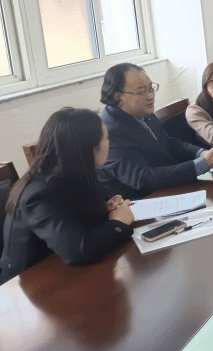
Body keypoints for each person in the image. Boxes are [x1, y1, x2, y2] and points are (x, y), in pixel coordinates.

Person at [1, 108, 135, 285]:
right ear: (88, 148)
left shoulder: (74, 170)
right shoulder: (38, 194)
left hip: (61, 269)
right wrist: (117, 223)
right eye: (107, 138)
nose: (110, 142)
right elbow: (77, 251)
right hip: (27, 282)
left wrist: (106, 207)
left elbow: (76, 214)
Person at [98, 63, 213, 199]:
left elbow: (168, 143)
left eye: (151, 88)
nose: (150, 96)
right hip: (141, 201)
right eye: (141, 92)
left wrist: (201, 153)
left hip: (167, 190)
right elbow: (143, 178)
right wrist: (200, 165)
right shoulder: (110, 131)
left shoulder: (141, 112)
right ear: (118, 96)